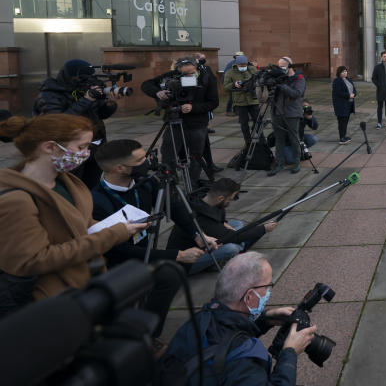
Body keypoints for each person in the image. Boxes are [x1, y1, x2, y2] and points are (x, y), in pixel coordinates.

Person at [0, 115, 147, 306]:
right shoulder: (16, 199)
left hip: (83, 284)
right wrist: (115, 233)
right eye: (81, 147)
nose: (86, 153)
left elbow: (76, 225)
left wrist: (113, 226)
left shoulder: (66, 182)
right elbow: (33, 260)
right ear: (50, 147)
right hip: (53, 301)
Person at [90, 139, 208, 334]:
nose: (147, 163)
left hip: (146, 248)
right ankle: (146, 333)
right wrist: (176, 255)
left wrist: (197, 234)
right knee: (170, 274)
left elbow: (176, 208)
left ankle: (149, 327)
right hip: (118, 261)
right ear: (120, 168)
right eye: (140, 160)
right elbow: (116, 250)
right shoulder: (98, 201)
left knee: (177, 267)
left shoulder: (145, 182)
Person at [165, 252, 317, 385]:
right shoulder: (243, 364)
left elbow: (226, 339)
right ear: (250, 297)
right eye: (267, 286)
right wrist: (290, 353)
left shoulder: (201, 319)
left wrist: (264, 321)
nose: (269, 292)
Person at [34, 59, 120, 188]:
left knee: (93, 185)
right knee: (71, 187)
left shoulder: (84, 88)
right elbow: (59, 122)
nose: (87, 81)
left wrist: (110, 103)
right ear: (72, 76)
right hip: (68, 150)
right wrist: (86, 100)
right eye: (84, 78)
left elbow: (101, 114)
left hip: (94, 147)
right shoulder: (49, 94)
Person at [167, 177, 276, 274]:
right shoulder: (202, 218)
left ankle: (235, 246)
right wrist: (264, 229)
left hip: (206, 241)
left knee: (237, 224)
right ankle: (212, 263)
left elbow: (221, 221)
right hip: (187, 262)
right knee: (232, 248)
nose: (230, 202)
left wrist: (227, 227)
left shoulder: (205, 199)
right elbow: (235, 236)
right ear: (220, 198)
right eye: (229, 199)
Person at [141, 56, 220, 186]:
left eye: (191, 72)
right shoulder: (173, 76)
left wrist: (193, 107)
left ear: (197, 67)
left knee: (196, 156)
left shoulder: (207, 78)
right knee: (168, 154)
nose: (188, 75)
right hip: (174, 120)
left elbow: (213, 102)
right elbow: (146, 84)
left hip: (197, 123)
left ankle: (193, 184)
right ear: (178, 70)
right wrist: (158, 92)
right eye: (184, 73)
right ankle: (170, 183)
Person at [270, 57, 306, 175]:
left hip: (292, 113)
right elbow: (266, 96)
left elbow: (296, 93)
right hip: (277, 112)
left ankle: (296, 163)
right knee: (279, 139)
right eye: (279, 66)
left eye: (282, 66)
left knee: (293, 138)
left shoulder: (299, 78)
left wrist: (281, 85)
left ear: (289, 66)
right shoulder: (278, 78)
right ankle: (279, 163)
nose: (280, 68)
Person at [223, 55, 258, 147]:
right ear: (236, 64)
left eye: (244, 65)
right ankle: (248, 142)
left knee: (258, 121)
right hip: (239, 101)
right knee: (244, 123)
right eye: (240, 65)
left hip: (253, 100)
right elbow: (225, 87)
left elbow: (260, 81)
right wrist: (234, 84)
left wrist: (253, 84)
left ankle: (260, 139)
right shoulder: (230, 72)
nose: (242, 67)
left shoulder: (252, 69)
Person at [332, 65, 356, 145]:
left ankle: (344, 136)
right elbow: (338, 92)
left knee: (345, 121)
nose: (345, 73)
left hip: (348, 104)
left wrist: (354, 94)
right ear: (339, 73)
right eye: (343, 71)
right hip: (341, 105)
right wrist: (348, 95)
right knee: (342, 121)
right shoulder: (337, 81)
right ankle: (341, 138)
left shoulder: (348, 79)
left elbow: (354, 89)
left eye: (345, 71)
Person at [222, 51, 245, 116]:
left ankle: (235, 110)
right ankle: (228, 110)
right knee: (232, 97)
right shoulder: (232, 64)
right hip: (231, 83)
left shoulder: (238, 63)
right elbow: (226, 75)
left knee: (236, 97)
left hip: (235, 83)